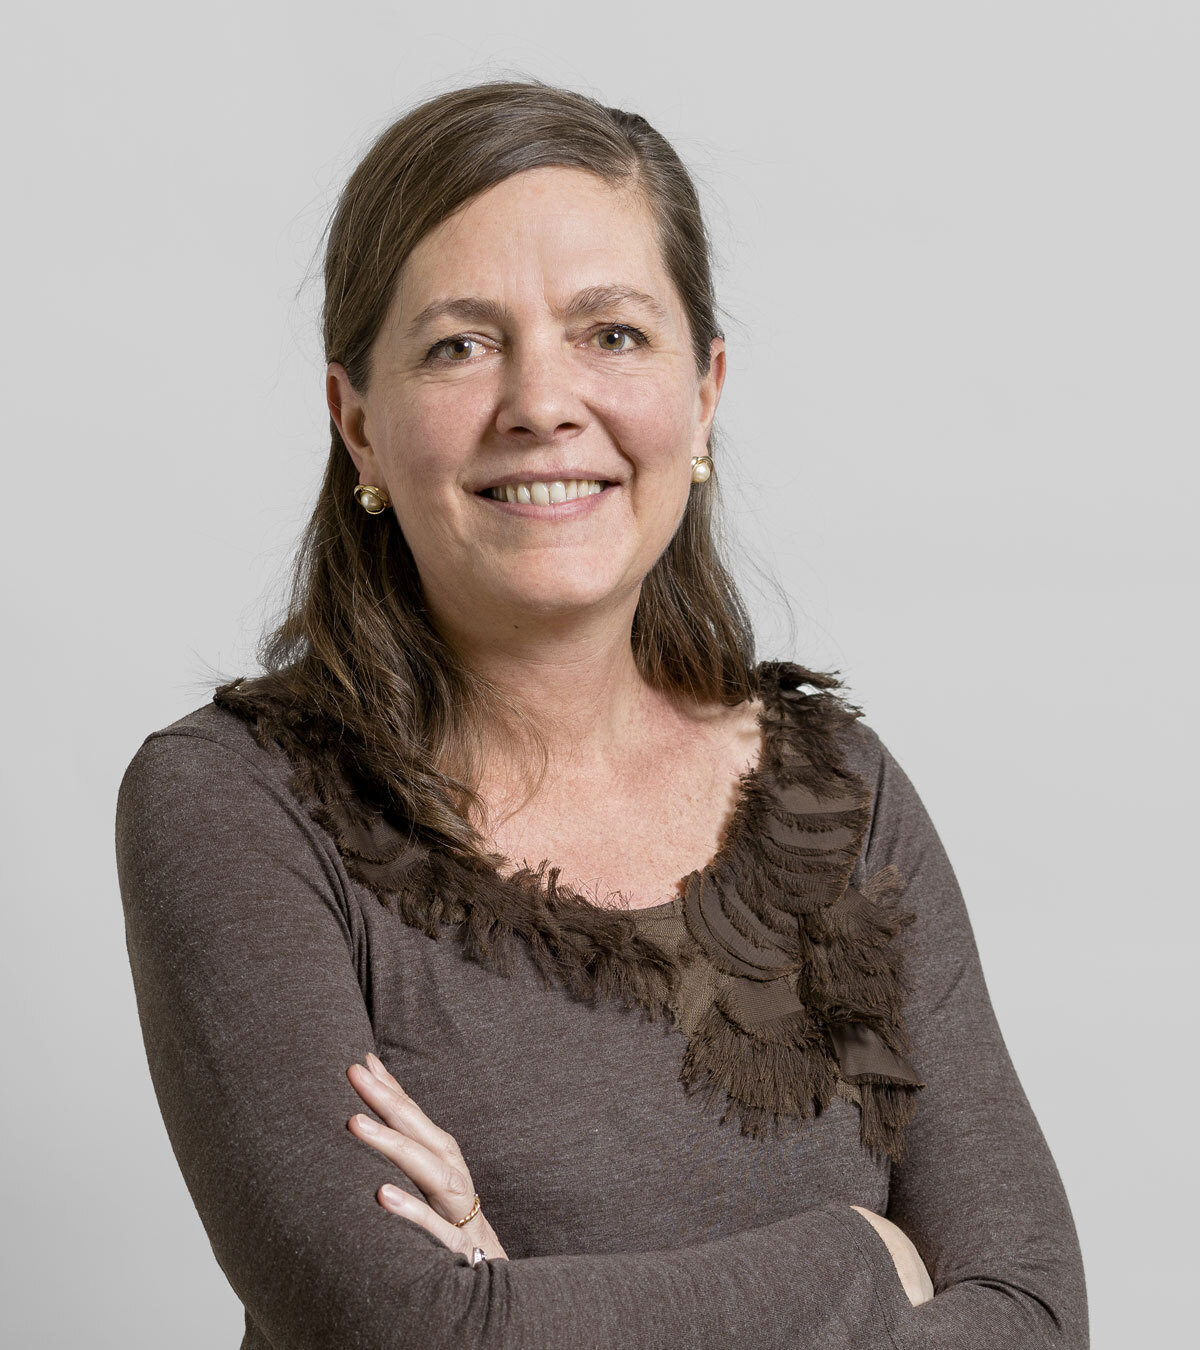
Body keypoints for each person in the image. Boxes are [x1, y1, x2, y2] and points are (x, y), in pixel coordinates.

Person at [115, 79, 1089, 1348]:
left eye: (612, 335)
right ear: (358, 425)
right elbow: (404, 1331)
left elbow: (1035, 1317)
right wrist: (860, 1265)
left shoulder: (836, 797)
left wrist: (519, 1303)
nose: (542, 401)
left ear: (705, 394)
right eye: (461, 343)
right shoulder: (238, 805)